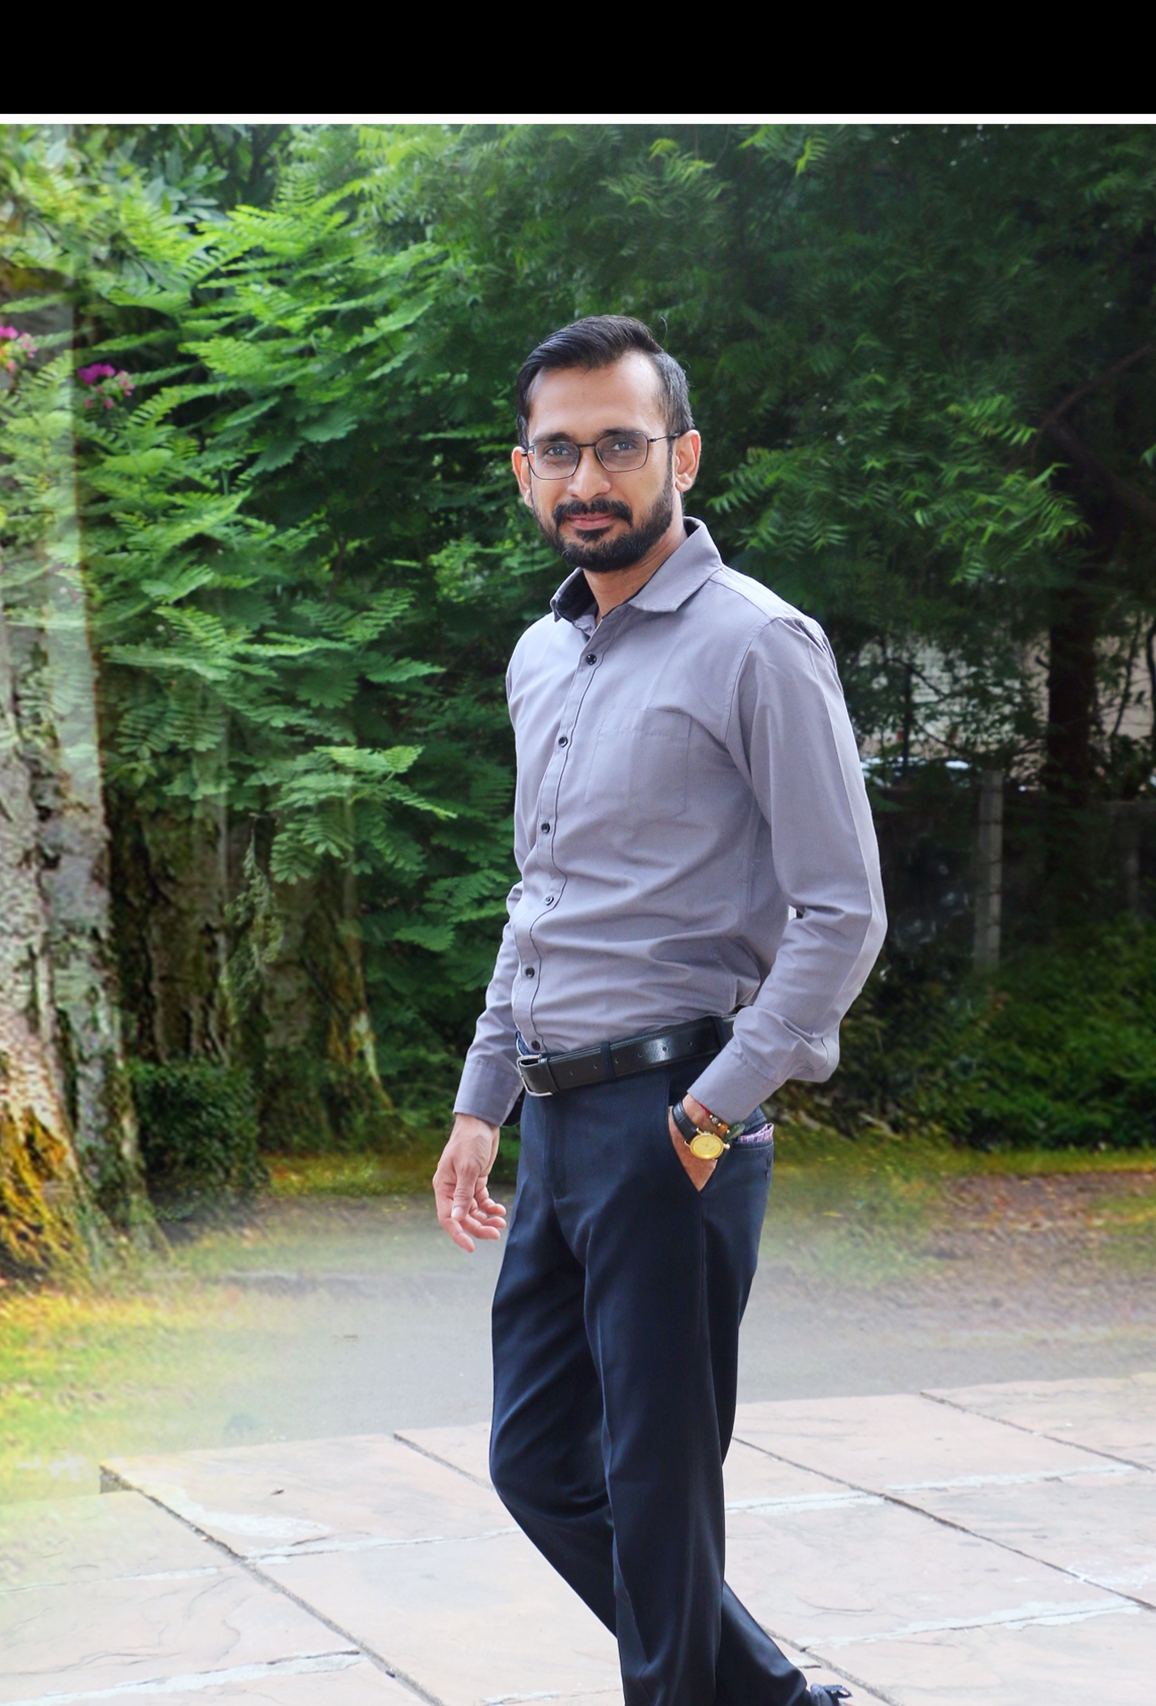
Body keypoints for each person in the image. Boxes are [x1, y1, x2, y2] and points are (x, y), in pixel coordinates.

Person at [433, 315, 885, 1706]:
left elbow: (843, 910)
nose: (589, 478)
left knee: (659, 1478)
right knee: (535, 1460)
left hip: (676, 1112)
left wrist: (713, 1110)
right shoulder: (541, 655)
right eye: (560, 450)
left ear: (681, 457)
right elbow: (540, 897)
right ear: (524, 469)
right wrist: (481, 1100)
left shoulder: (760, 645)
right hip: (557, 1117)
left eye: (619, 444)